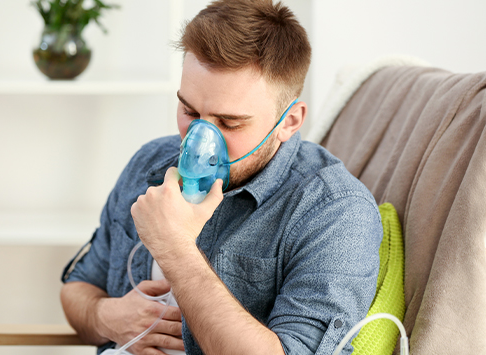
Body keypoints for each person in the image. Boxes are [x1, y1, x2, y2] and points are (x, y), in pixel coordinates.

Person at [60, 1, 382, 354]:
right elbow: (77, 287)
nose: (199, 140)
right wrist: (107, 316)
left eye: (229, 123)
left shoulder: (335, 213)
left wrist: (175, 249)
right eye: (189, 111)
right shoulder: (149, 163)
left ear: (289, 121)